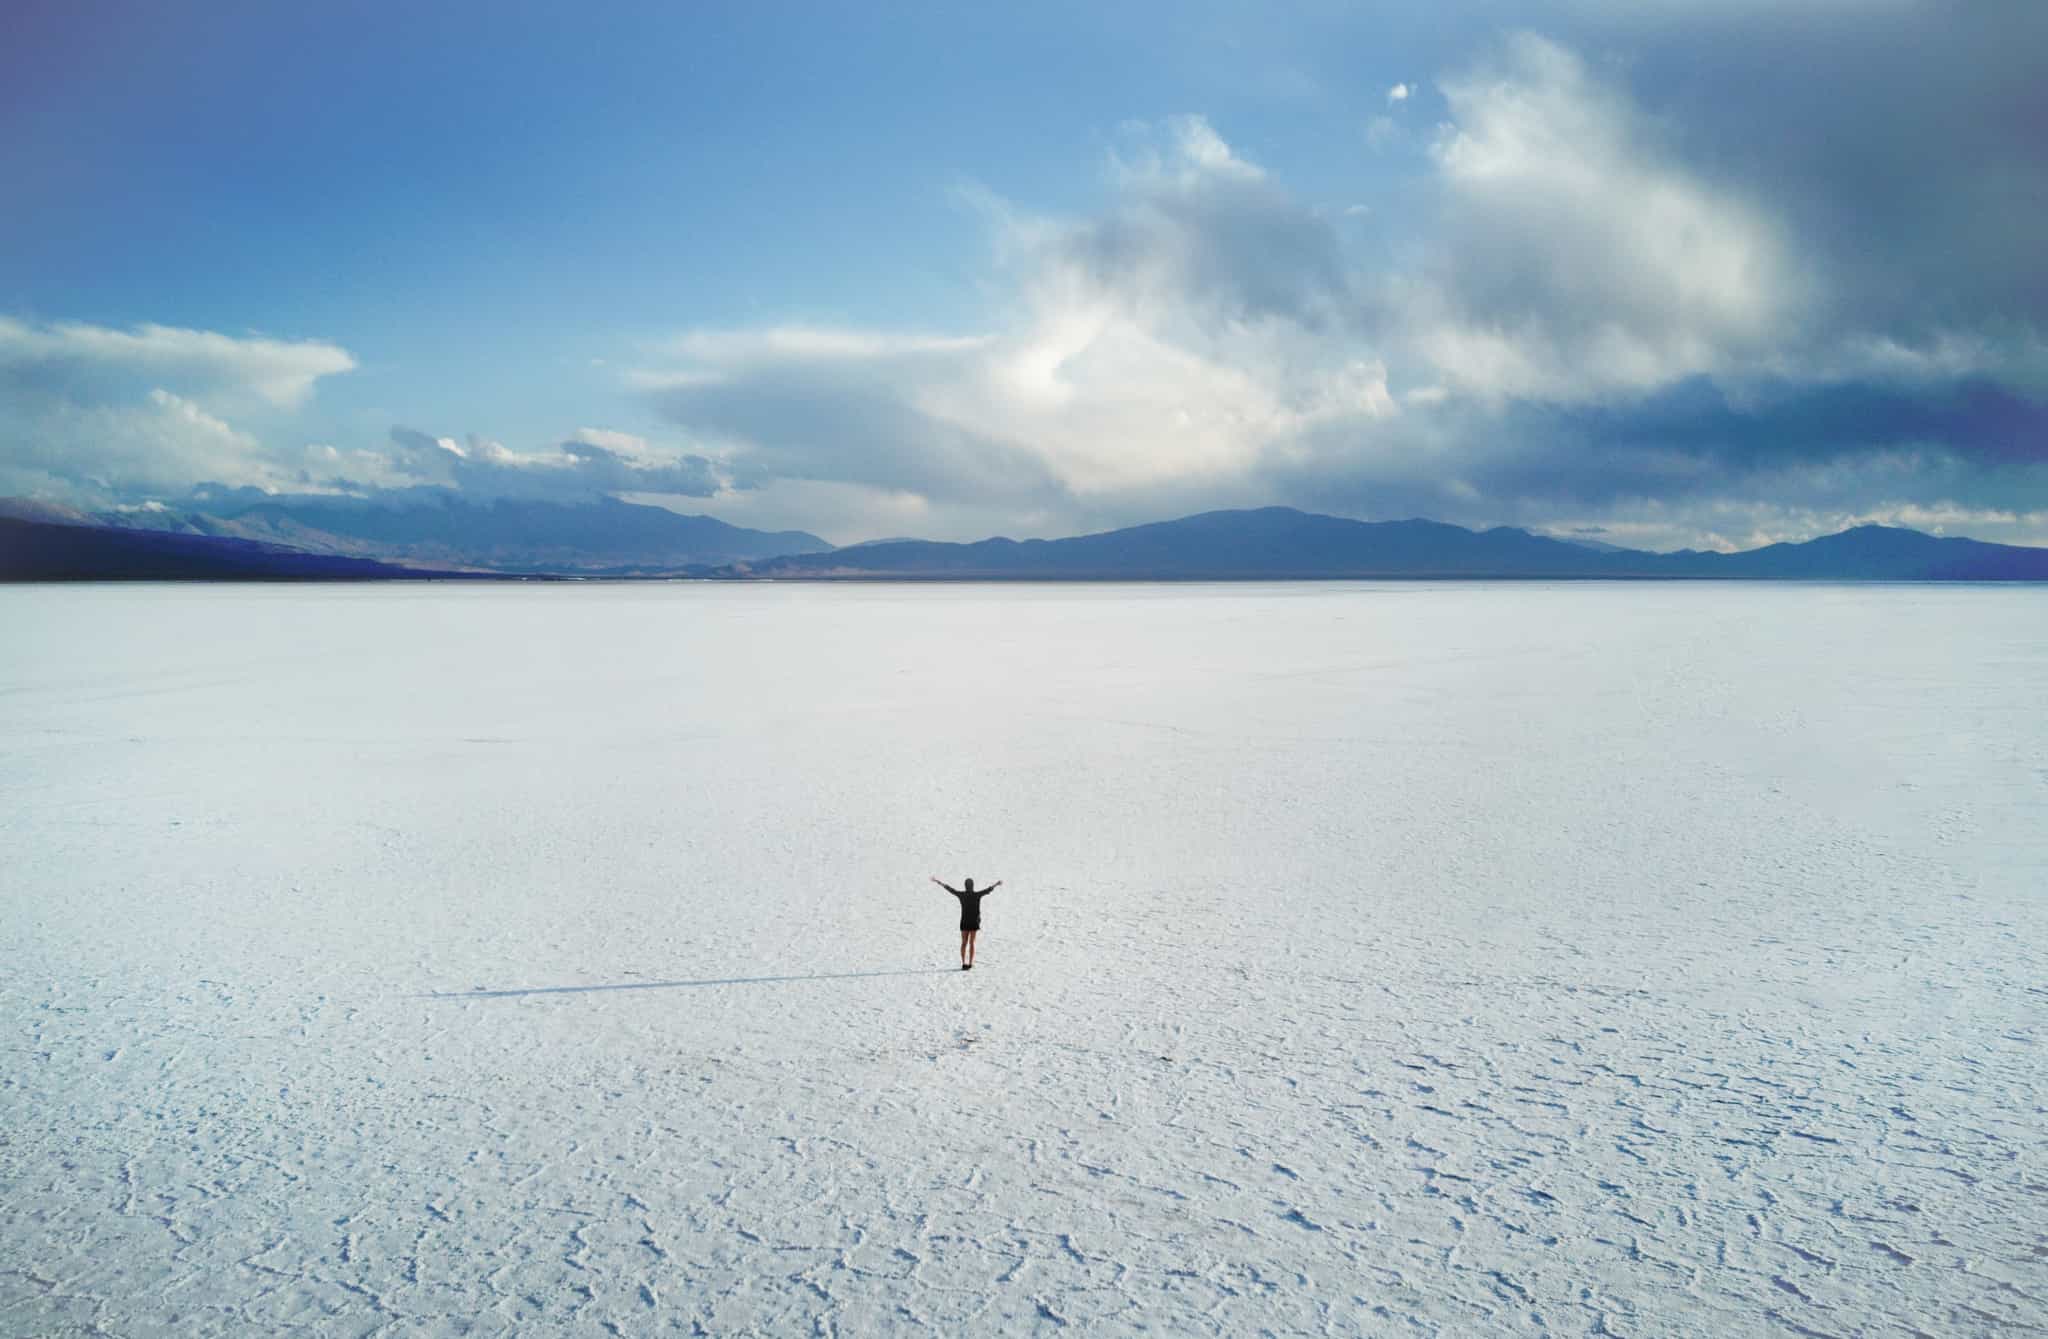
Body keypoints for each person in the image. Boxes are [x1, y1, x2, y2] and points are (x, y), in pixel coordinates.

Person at [931, 875, 1001, 970]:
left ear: (965, 886)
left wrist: (938, 882)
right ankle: (970, 963)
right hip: (974, 922)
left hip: (964, 921)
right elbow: (987, 890)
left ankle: (963, 963)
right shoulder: (977, 895)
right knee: (972, 943)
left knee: (964, 942)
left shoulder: (962, 895)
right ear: (972, 886)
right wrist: (996, 884)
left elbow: (951, 890)